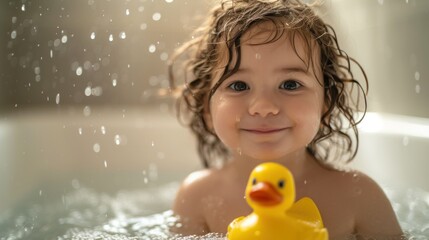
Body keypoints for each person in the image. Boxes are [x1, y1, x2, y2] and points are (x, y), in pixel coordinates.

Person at [167, 0, 404, 239]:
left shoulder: (358, 196)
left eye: (290, 84)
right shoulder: (198, 197)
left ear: (325, 105)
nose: (263, 107)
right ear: (207, 108)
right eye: (238, 85)